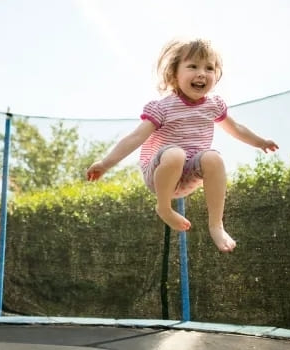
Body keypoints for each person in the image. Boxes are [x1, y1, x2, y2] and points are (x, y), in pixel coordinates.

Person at [86, 38, 278, 253]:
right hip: (159, 174)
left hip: (188, 176)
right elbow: (135, 137)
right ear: (174, 74)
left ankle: (216, 225)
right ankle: (164, 207)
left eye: (209, 68)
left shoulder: (213, 105)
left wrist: (260, 142)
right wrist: (105, 163)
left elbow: (236, 128)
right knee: (175, 154)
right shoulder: (162, 108)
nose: (202, 73)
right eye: (193, 66)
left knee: (213, 157)